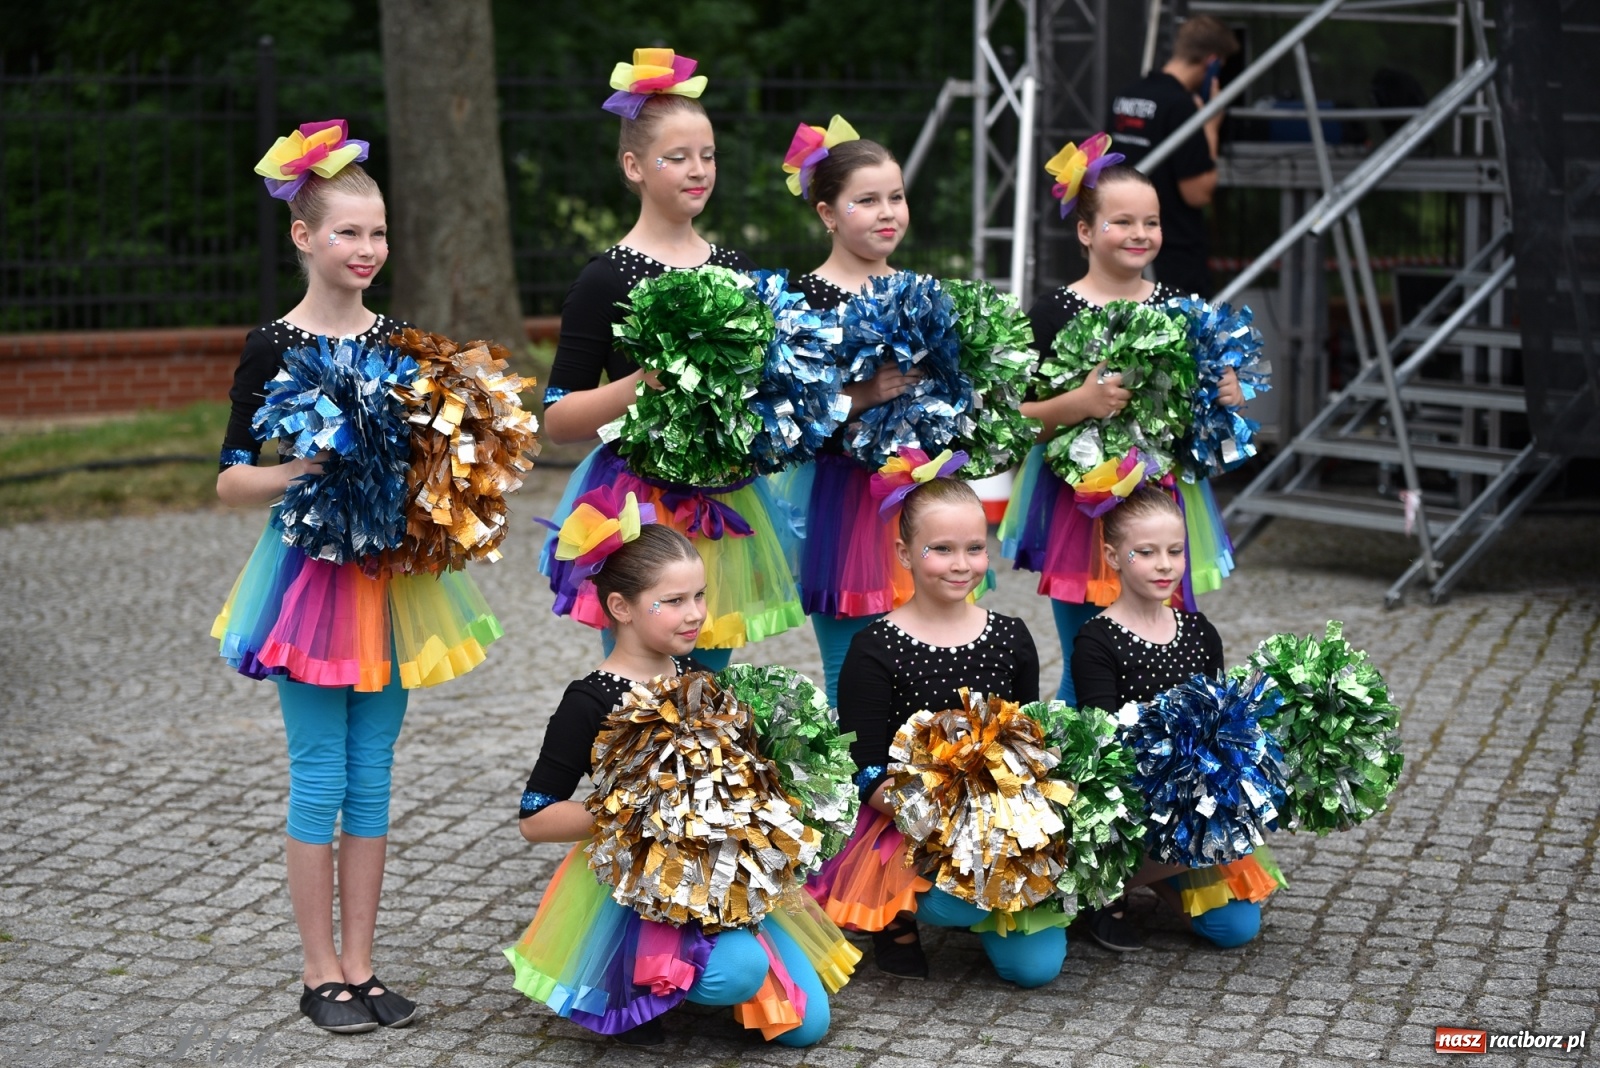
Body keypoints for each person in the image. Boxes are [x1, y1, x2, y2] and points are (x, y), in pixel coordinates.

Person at [213, 120, 458, 1033]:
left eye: (379, 232)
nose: (367, 249)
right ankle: (318, 973)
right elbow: (231, 476)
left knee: (376, 771)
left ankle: (363, 964)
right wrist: (300, 472)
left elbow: (442, 458)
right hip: (308, 584)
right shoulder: (272, 344)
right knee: (320, 777)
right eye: (349, 231)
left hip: (389, 581)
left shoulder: (404, 343)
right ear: (303, 236)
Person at [508, 498, 839, 1047]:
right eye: (673, 601)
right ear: (621, 607)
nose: (695, 614)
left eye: (700, 596)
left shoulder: (699, 675)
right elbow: (534, 818)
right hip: (637, 885)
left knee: (809, 1028)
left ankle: (696, 972)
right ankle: (651, 981)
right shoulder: (590, 700)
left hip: (722, 871)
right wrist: (638, 808)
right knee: (738, 972)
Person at [539, 48, 799, 670]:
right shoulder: (606, 278)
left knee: (708, 690)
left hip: (725, 499)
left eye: (707, 156)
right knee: (644, 689)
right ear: (634, 165)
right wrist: (644, 381)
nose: (698, 170)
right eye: (677, 157)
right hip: (639, 507)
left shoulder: (736, 272)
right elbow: (556, 417)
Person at [1002, 152, 1241, 708]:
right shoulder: (1053, 311)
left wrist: (1226, 397)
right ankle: (1066, 778)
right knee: (1090, 660)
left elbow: (1200, 422)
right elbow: (1015, 423)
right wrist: (1079, 402)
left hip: (1159, 507)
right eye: (1123, 221)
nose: (1141, 233)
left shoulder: (1179, 311)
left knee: (1158, 653)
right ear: (1085, 230)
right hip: (1080, 511)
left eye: (1151, 221)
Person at [816, 473, 1064, 987]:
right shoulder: (873, 647)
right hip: (911, 820)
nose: (961, 564)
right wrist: (951, 821)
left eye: (974, 548)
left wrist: (1013, 818)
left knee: (1036, 969)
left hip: (1001, 819)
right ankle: (898, 915)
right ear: (905, 553)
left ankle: (987, 905)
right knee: (958, 902)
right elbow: (864, 770)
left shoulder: (1013, 637)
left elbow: (1029, 743)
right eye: (941, 549)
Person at [1070, 486, 1272, 951]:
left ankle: (1157, 876)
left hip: (1194, 802)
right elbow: (1104, 742)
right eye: (1146, 552)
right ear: (1113, 556)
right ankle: (1102, 885)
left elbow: (1224, 720)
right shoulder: (1096, 640)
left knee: (1236, 928)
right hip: (1135, 800)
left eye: (1175, 551)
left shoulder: (1200, 631)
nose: (1164, 564)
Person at [770, 116, 925, 703]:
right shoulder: (802, 301)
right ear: (829, 214)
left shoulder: (921, 290)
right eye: (867, 200)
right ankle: (856, 789)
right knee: (852, 665)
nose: (888, 212)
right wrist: (862, 395)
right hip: (843, 499)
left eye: (896, 196)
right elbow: (787, 416)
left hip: (917, 489)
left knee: (928, 654)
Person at [1108, 15, 1241, 298]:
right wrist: (1211, 128)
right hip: (1172, 253)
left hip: (1123, 247)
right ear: (1212, 62)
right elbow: (1198, 193)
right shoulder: (1181, 106)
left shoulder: (1127, 95)